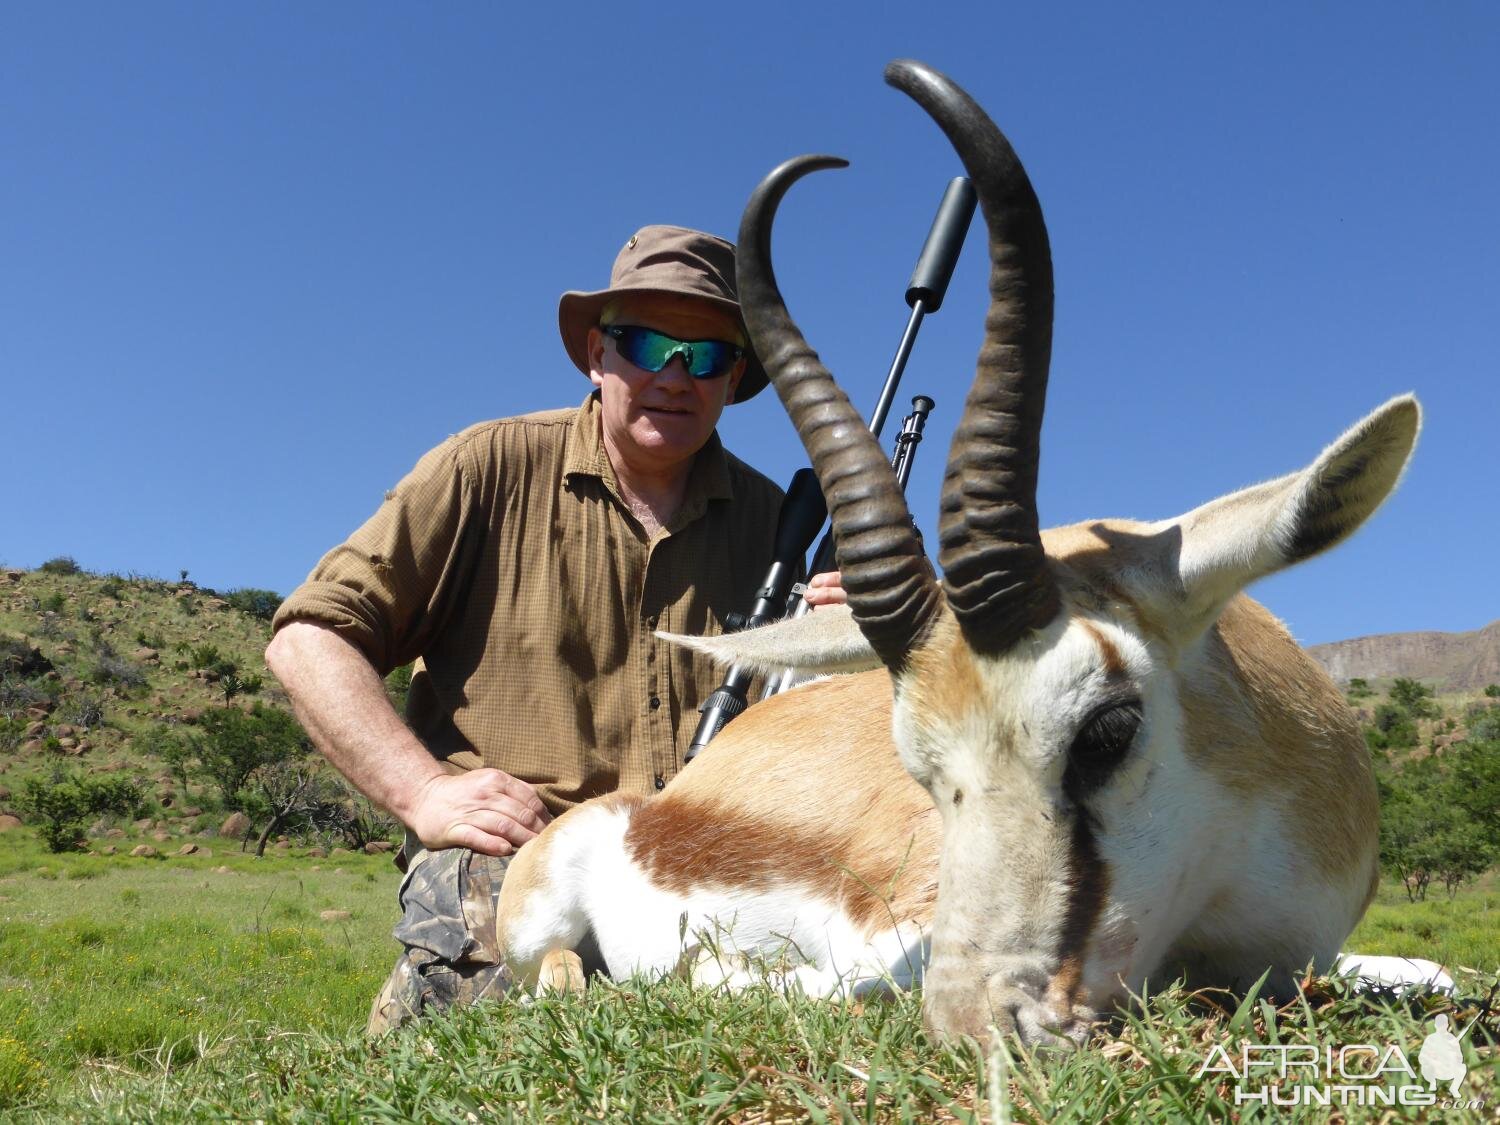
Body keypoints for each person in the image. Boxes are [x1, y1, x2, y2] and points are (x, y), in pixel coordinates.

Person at [265, 225, 844, 1033]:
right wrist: (424, 791)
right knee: (490, 1030)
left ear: (735, 374)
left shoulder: (778, 526)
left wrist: (853, 639)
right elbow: (309, 637)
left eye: (707, 355)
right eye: (647, 343)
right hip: (516, 846)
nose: (677, 376)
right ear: (597, 355)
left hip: (704, 862)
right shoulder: (485, 467)